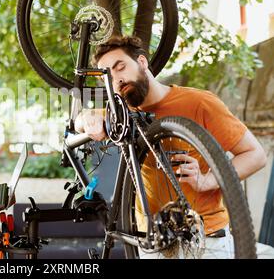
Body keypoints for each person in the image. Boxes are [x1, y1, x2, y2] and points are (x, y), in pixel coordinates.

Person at [75, 35, 274, 258]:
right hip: (151, 239)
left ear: (142, 62)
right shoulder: (121, 116)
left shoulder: (199, 103)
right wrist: (88, 117)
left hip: (206, 237)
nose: (117, 79)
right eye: (108, 78)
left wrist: (208, 180)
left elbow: (255, 155)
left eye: (120, 67)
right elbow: (79, 121)